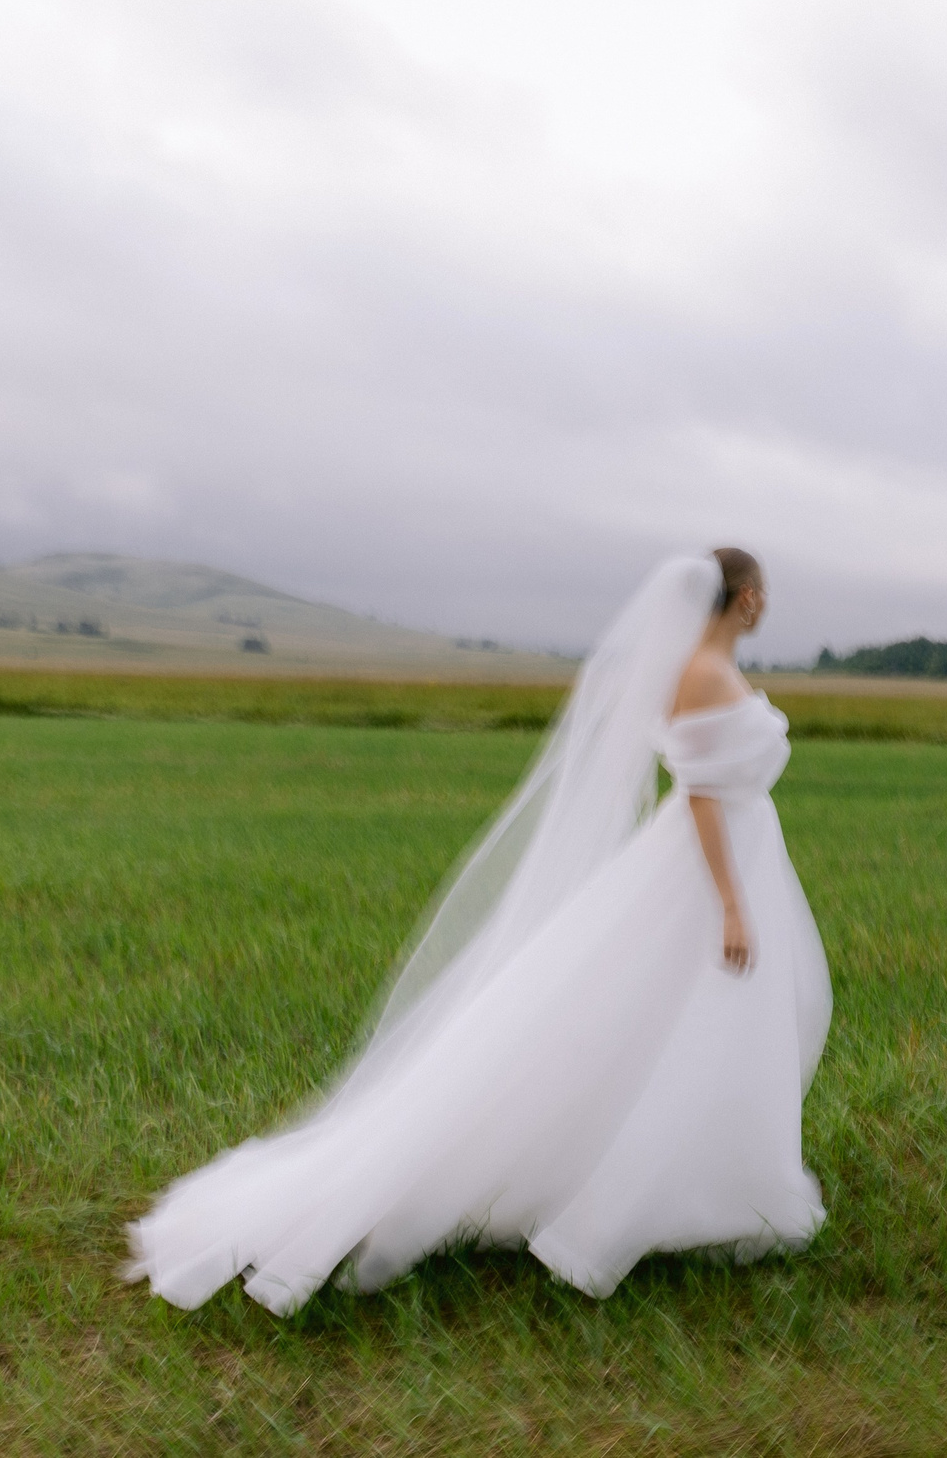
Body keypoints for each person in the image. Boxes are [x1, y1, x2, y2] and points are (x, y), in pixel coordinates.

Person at [125, 549, 831, 1313]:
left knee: (706, 1018)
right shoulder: (702, 674)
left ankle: (717, 1177)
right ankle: (657, 1191)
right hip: (704, 869)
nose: (766, 606)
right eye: (762, 593)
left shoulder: (706, 669)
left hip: (737, 856)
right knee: (680, 1010)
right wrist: (729, 903)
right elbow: (701, 795)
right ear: (745, 597)